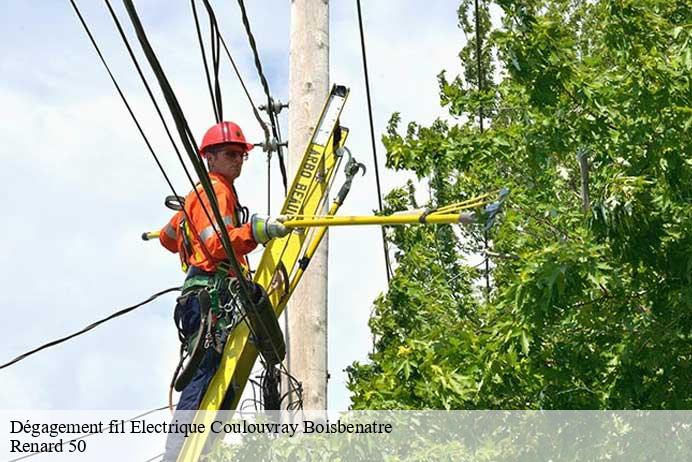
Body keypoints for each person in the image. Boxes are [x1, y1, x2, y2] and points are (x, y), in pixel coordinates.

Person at [158, 121, 288, 460]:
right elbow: (217, 245)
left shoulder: (197, 196)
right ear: (210, 158)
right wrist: (255, 232)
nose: (238, 160)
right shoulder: (216, 190)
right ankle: (178, 454)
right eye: (230, 154)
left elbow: (167, 239)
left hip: (198, 295)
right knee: (203, 374)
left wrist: (188, 230)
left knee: (207, 372)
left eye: (241, 155)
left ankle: (184, 449)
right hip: (209, 296)